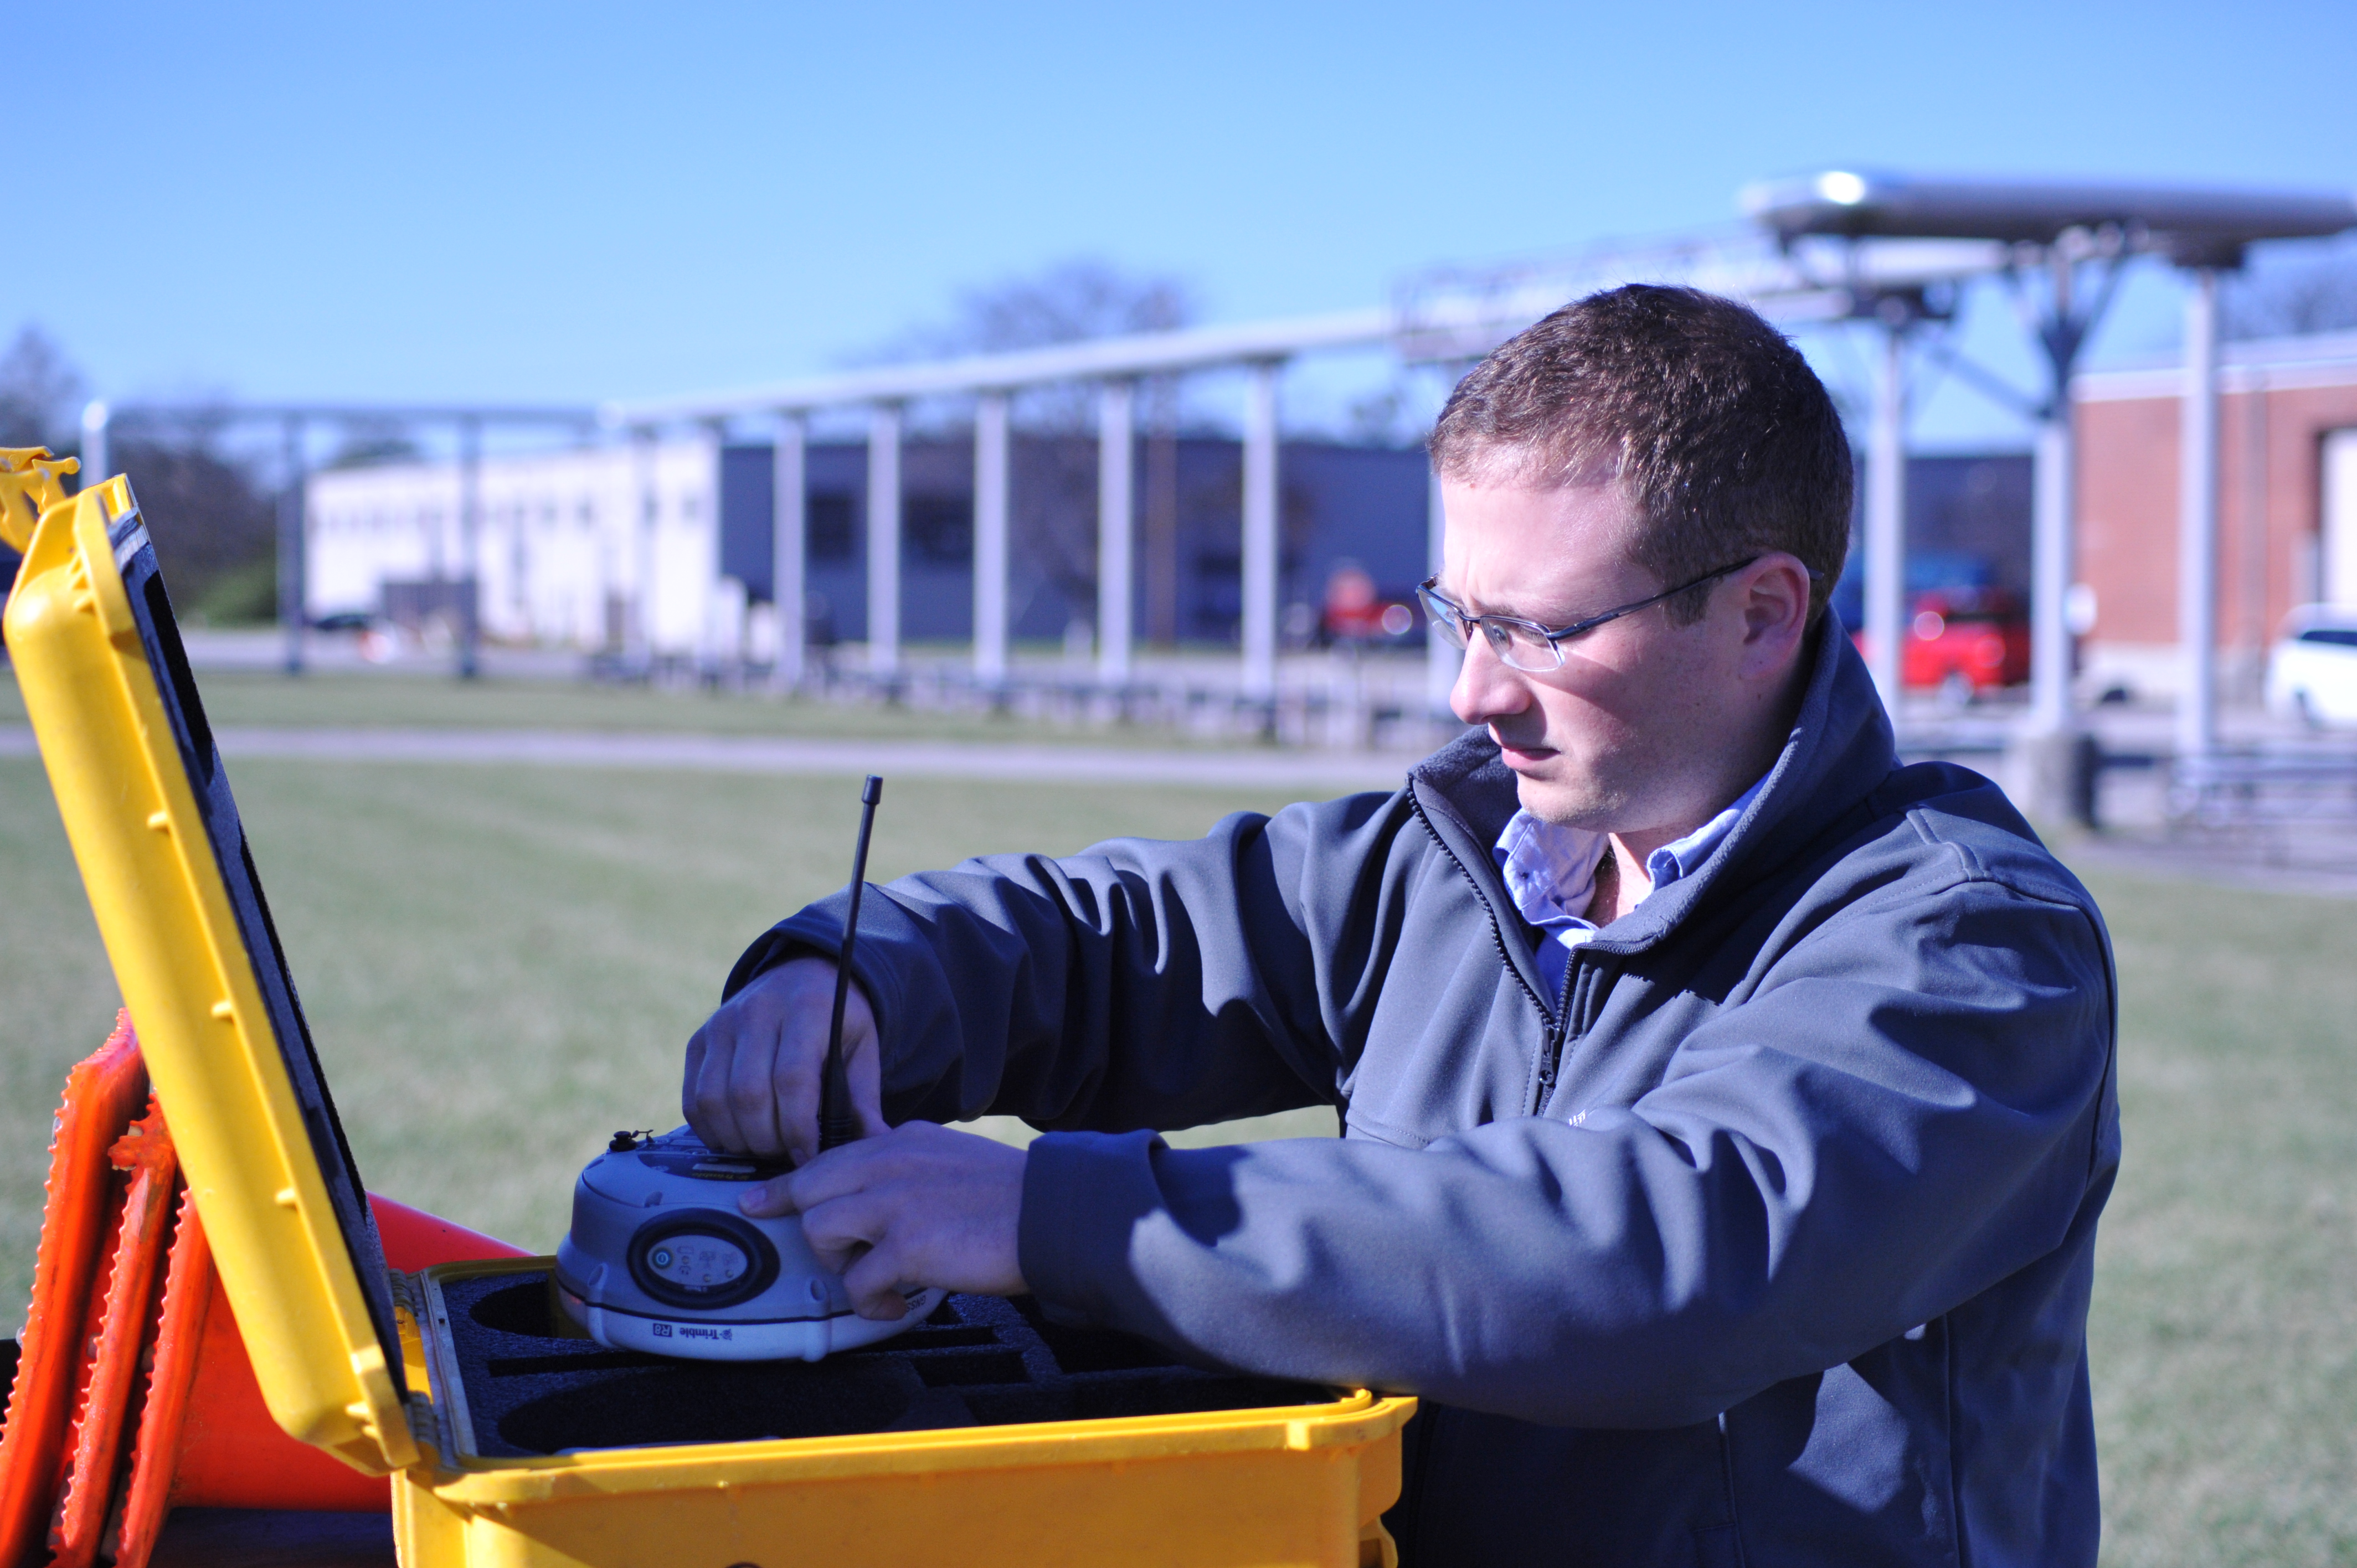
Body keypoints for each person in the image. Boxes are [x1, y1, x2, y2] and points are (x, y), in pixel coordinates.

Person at [682, 285, 2119, 1566]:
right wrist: (856, 975)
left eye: (1542, 631)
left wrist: (1053, 1216)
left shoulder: (1971, 950)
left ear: (1762, 614)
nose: (1472, 693)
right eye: (1461, 618)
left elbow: (1664, 1256)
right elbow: (1124, 940)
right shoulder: (1453, 863)